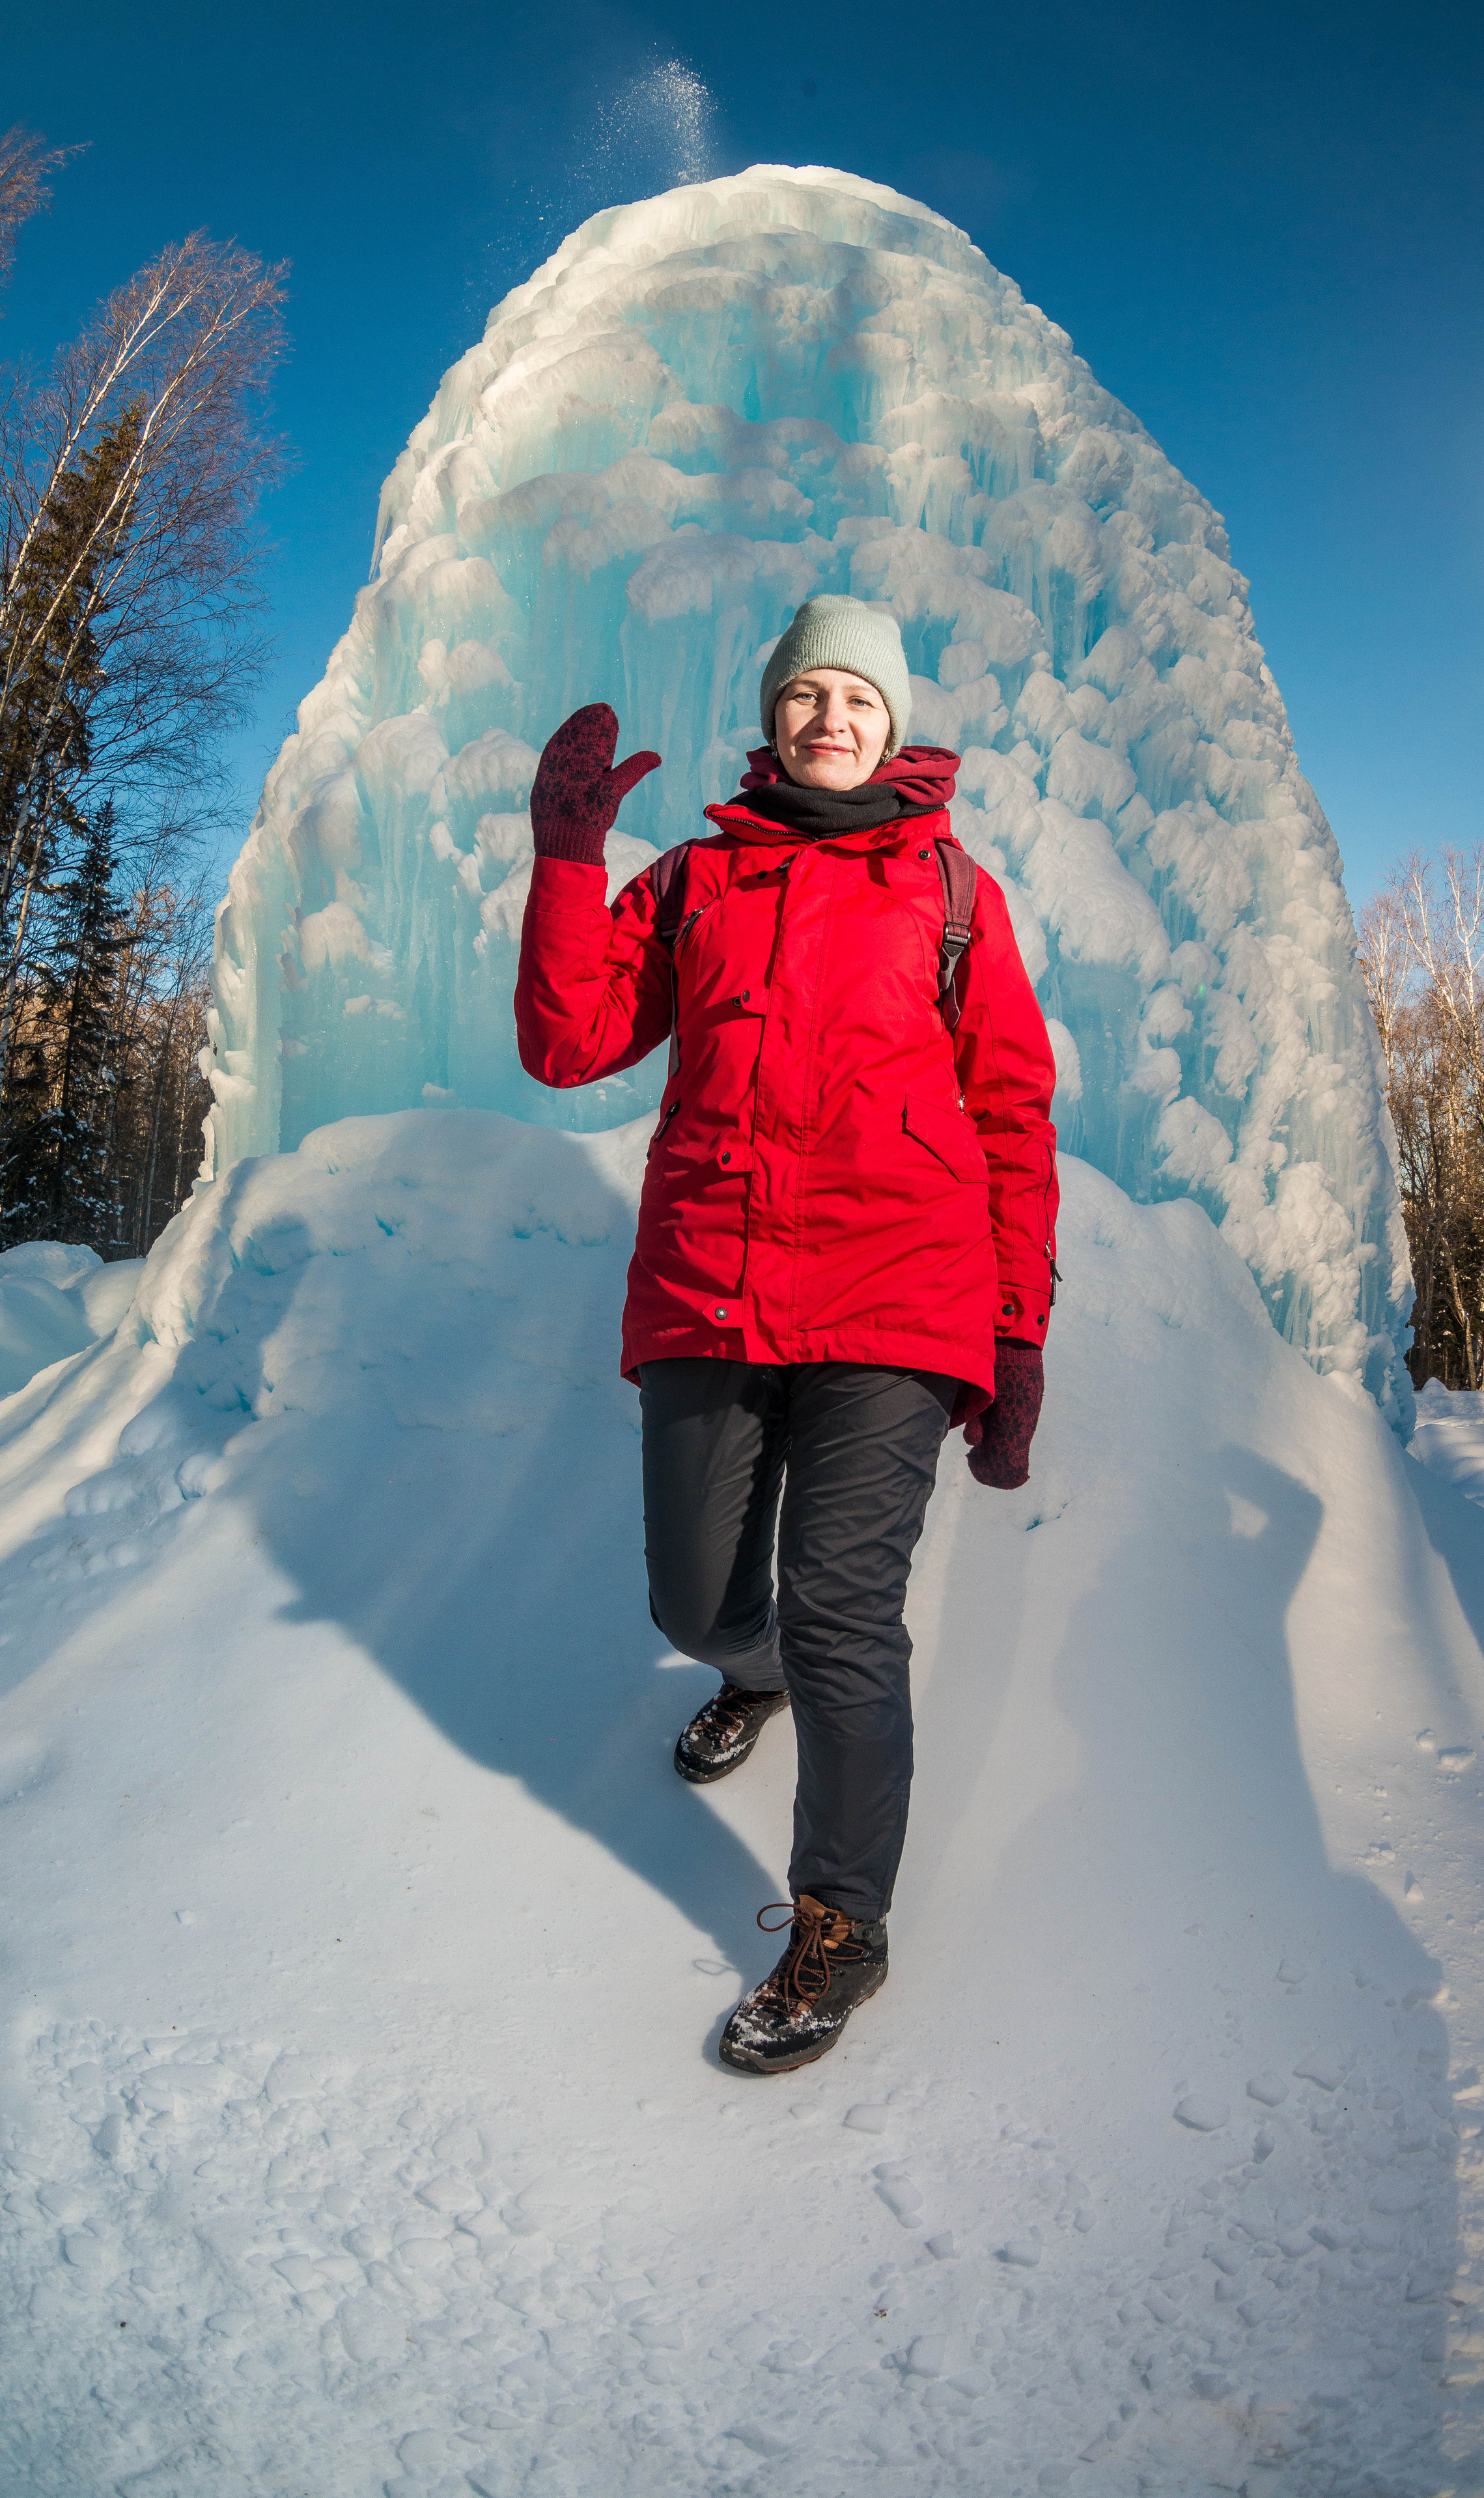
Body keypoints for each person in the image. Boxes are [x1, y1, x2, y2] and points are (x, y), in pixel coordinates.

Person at [515, 595, 1059, 2074]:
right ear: (773, 718)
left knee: (841, 1611)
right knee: (696, 1607)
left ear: (894, 728)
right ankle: (745, 1670)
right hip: (713, 1285)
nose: (833, 718)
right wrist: (569, 862)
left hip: (900, 1297)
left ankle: (841, 1924)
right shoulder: (697, 879)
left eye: (859, 699)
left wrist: (1015, 1334)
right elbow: (567, 1040)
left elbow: (1011, 1117)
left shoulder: (951, 892)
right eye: (808, 694)